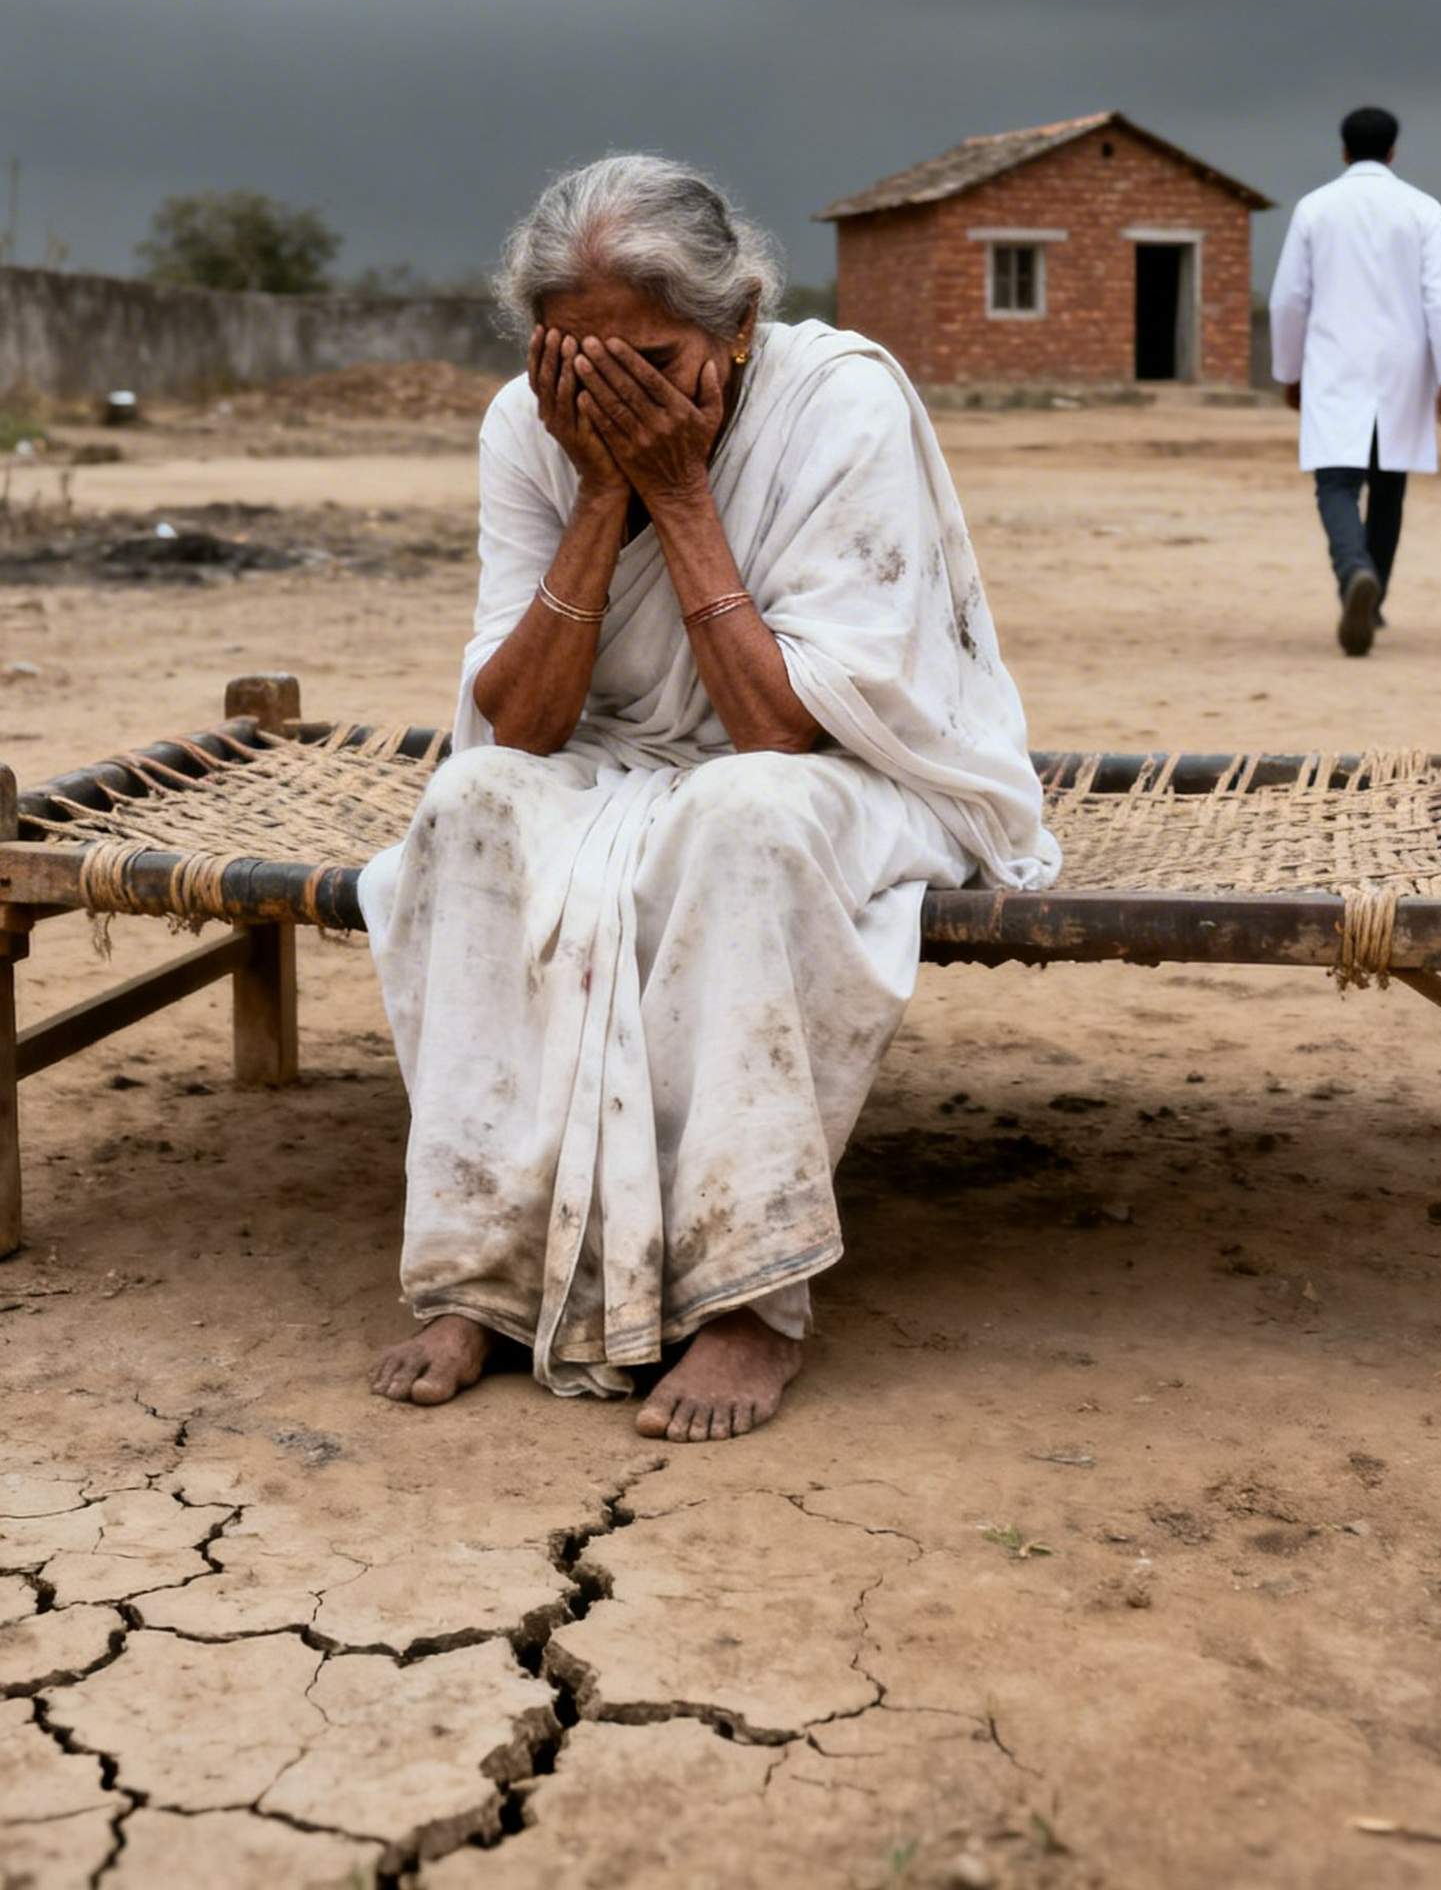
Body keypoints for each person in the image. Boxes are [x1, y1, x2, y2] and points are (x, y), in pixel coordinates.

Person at [359, 156, 1058, 1442]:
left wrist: (676, 492)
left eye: (653, 362)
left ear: (741, 325)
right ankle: (483, 1280)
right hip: (616, 763)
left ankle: (748, 1303)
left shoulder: (838, 404)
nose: (609, 395)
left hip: (848, 770)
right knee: (468, 808)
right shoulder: (529, 424)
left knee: (743, 813)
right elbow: (521, 723)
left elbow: (784, 725)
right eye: (577, 363)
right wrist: (604, 484)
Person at [1269, 107, 1441, 655]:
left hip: (1335, 365)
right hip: (1404, 370)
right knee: (1388, 488)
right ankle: (1372, 598)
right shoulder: (1422, 209)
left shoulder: (1315, 209)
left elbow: (1289, 299)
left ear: (1342, 150)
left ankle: (1354, 572)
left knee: (1335, 484)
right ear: (1392, 152)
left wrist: (1289, 371)